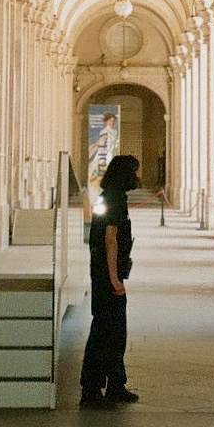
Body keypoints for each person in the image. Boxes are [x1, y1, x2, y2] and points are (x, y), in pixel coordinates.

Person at [80, 153, 140, 408]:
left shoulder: (111, 196)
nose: (138, 176)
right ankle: (92, 390)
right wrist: (115, 278)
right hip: (107, 276)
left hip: (104, 273)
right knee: (105, 332)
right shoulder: (114, 199)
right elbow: (110, 239)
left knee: (115, 331)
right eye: (135, 171)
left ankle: (116, 384)